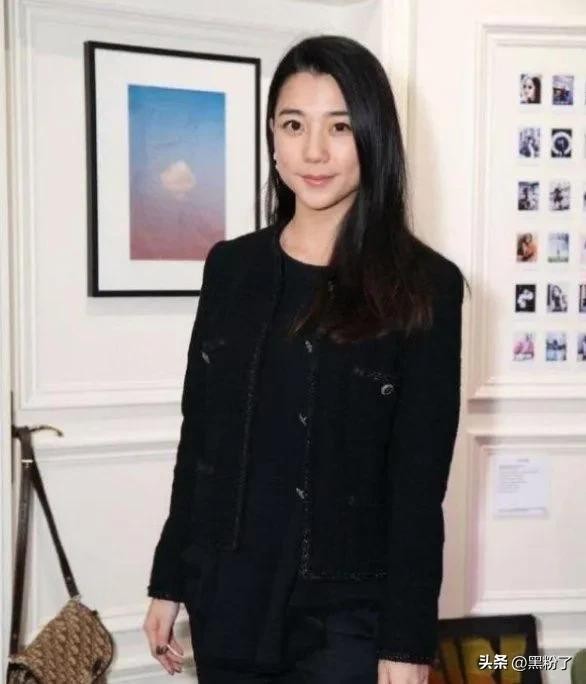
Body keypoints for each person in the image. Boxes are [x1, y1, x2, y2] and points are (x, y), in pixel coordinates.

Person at [143, 34, 466, 684]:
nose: (314, 151)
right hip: (227, 600)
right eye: (294, 125)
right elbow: (200, 439)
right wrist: (169, 579)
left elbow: (418, 485)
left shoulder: (425, 286)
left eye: (339, 127)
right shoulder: (231, 268)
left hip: (349, 618)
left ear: (373, 136)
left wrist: (407, 644)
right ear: (273, 135)